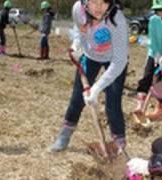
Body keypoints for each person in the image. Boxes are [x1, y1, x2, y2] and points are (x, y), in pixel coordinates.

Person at [49, 0, 129, 154]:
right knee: (77, 98)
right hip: (90, 56)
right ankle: (64, 135)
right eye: (94, 2)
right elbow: (80, 30)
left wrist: (97, 88)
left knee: (113, 102)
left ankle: (119, 144)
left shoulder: (117, 18)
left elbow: (120, 60)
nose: (99, 7)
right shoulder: (78, 9)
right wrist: (76, 45)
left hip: (114, 60)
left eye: (104, 2)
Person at [133, 0, 162, 120]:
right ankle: (140, 106)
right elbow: (153, 38)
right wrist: (157, 54)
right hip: (154, 53)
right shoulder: (153, 20)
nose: (158, 13)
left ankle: (159, 110)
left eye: (161, 10)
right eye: (157, 10)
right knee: (147, 76)